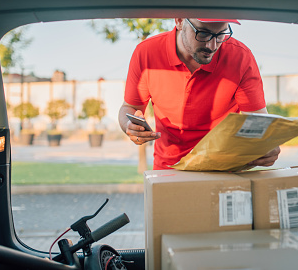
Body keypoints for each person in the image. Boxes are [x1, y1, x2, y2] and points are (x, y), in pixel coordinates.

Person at [118, 18, 281, 170]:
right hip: (168, 168)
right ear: (180, 21)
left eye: (220, 35)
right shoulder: (146, 53)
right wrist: (129, 126)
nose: (212, 46)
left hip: (222, 168)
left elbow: (258, 121)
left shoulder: (241, 57)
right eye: (203, 33)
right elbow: (129, 107)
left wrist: (267, 143)